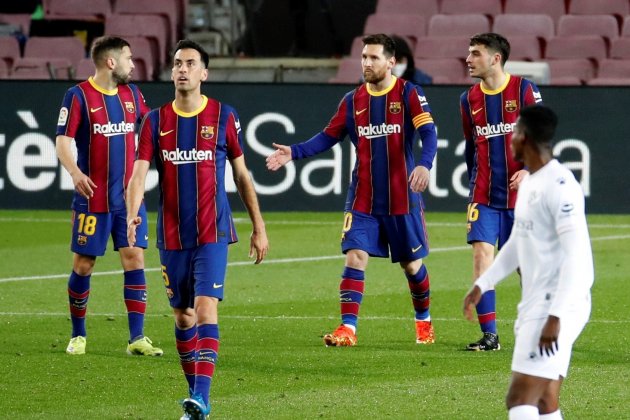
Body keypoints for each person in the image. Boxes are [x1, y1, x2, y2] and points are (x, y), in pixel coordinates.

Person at [126, 39, 269, 419]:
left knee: (206, 310)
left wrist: (258, 225)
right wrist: (131, 212)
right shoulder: (154, 121)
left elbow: (241, 174)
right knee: (183, 317)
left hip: (213, 231)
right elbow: (138, 174)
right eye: (177, 64)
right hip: (172, 236)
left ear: (204, 73)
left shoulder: (223, 116)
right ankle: (195, 400)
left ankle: (202, 396)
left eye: (190, 63)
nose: (182, 69)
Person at [266, 33, 438, 347]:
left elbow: (428, 131)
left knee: (411, 266)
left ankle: (424, 321)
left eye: (374, 58)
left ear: (391, 62)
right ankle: (348, 328)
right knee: (355, 256)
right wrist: (294, 152)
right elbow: (327, 136)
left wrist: (424, 164)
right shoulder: (352, 101)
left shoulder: (409, 93)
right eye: (364, 57)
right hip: (363, 197)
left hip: (402, 198)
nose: (367, 63)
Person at [463, 105, 593, 419]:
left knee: (520, 398)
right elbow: (518, 243)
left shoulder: (561, 187)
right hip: (540, 303)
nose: (510, 139)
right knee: (546, 401)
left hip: (557, 305)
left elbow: (579, 258)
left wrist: (556, 316)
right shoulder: (531, 182)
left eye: (515, 132)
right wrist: (483, 283)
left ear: (525, 137)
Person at [55, 36, 162, 357]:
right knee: (84, 264)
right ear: (111, 62)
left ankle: (137, 338)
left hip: (129, 200)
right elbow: (62, 140)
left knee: (135, 258)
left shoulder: (131, 94)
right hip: (92, 200)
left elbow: (151, 124)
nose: (133, 64)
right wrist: (75, 172)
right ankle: (78, 335)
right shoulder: (78, 96)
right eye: (128, 58)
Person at [460, 32, 543, 351]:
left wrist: (529, 169)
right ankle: (490, 335)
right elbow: (471, 145)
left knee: (525, 266)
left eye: (476, 53)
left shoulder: (524, 90)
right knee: (482, 256)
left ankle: (535, 330)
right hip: (483, 195)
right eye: (469, 53)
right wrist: (474, 182)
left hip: (522, 198)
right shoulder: (468, 99)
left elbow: (542, 137)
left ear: (496, 58)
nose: (469, 59)